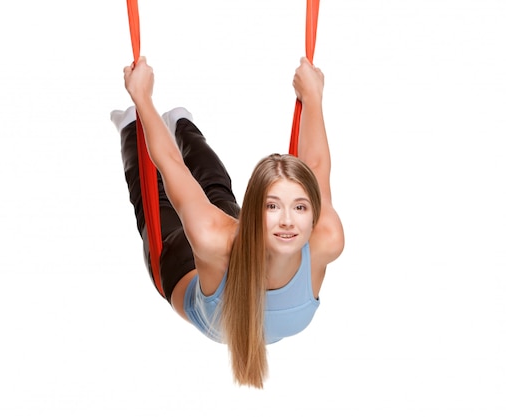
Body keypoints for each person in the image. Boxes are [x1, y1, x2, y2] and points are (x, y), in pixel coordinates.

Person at [110, 56, 344, 388]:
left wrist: (313, 96)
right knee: (158, 199)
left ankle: (181, 124)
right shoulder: (212, 237)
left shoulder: (327, 238)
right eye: (273, 206)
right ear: (252, 212)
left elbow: (317, 165)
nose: (288, 221)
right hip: (187, 264)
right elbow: (170, 165)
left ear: (313, 213)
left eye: (301, 207)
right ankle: (130, 124)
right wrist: (142, 99)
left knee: (216, 189)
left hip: (227, 244)